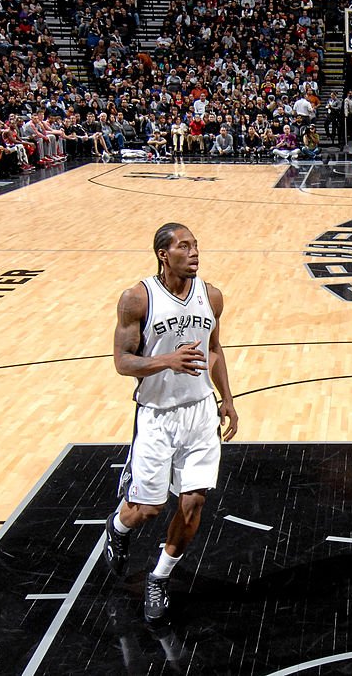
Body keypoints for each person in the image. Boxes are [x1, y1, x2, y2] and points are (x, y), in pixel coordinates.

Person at [105, 223, 239, 622]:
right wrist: (167, 360)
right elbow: (122, 362)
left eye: (196, 245)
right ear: (164, 254)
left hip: (200, 411)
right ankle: (118, 527)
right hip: (156, 415)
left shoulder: (210, 296)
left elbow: (214, 350)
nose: (194, 252)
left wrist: (227, 398)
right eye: (185, 246)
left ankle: (159, 577)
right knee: (147, 508)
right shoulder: (137, 299)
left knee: (194, 501)